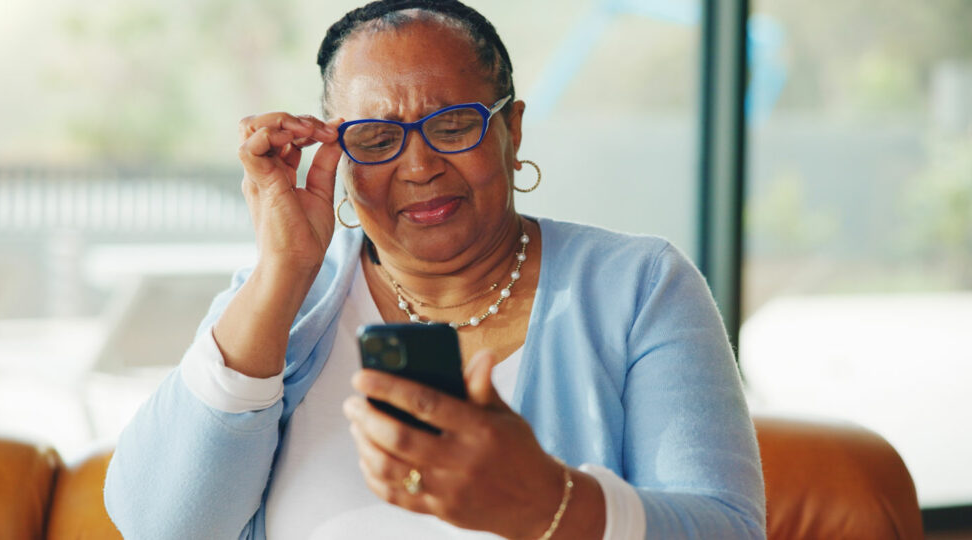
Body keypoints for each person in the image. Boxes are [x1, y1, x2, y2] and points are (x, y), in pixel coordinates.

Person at [104, 1, 765, 538]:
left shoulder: (640, 287)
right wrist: (282, 270)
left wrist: (549, 506)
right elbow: (161, 526)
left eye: (452, 126)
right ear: (337, 153)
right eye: (376, 138)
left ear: (514, 130)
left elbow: (729, 529)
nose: (418, 167)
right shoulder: (285, 302)